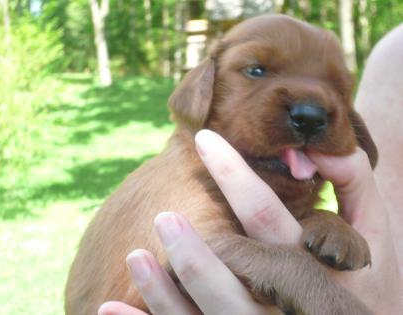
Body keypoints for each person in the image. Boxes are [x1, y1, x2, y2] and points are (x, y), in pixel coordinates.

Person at [98, 25, 403, 315]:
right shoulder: (182, 176)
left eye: (336, 88)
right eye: (256, 71)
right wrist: (319, 292)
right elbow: (188, 256)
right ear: (204, 86)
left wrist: (321, 222)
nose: (311, 110)